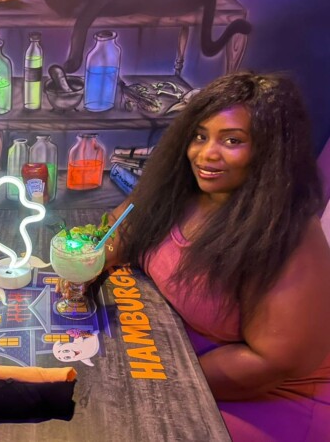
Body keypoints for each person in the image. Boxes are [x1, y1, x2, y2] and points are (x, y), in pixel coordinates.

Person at [105, 72, 330, 441]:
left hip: (266, 397)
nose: (206, 153)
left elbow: (273, 362)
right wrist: (94, 257)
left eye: (232, 140)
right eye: (199, 136)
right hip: (171, 355)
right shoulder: (179, 188)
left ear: (270, 150)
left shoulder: (287, 232)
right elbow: (120, 228)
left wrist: (156, 378)